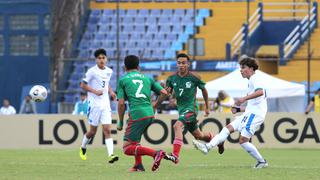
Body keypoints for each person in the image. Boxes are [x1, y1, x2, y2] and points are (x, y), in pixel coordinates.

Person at [193, 56, 269, 169]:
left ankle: (262, 162)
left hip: (255, 115)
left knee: (243, 141)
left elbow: (260, 92)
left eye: (243, 67)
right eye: (240, 68)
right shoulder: (251, 81)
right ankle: (207, 147)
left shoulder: (254, 78)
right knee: (227, 128)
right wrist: (239, 109)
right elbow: (255, 105)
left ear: (251, 68)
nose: (241, 70)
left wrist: (243, 99)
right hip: (250, 113)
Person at [154, 53, 224, 165]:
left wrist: (206, 106)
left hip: (191, 109)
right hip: (182, 110)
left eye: (183, 63)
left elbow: (204, 90)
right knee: (199, 135)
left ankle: (175, 156)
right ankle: (219, 140)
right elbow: (167, 93)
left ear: (188, 64)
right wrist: (155, 105)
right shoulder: (171, 78)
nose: (181, 65)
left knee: (177, 125)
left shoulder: (194, 77)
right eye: (179, 63)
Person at [117, 55, 168, 172]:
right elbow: (164, 93)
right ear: (138, 66)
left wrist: (120, 121)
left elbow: (120, 104)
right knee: (135, 142)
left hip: (137, 114)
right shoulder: (147, 78)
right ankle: (138, 165)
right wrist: (155, 105)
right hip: (149, 113)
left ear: (124, 67)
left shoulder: (123, 80)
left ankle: (156, 154)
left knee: (127, 148)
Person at [79, 49, 119, 163]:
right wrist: (95, 91)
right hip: (94, 105)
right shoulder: (92, 71)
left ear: (106, 59)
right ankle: (83, 147)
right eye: (99, 58)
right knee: (92, 132)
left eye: (103, 58)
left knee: (107, 130)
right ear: (96, 60)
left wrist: (111, 92)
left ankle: (111, 155)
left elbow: (106, 84)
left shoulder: (109, 71)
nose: (101, 60)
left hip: (105, 105)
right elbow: (82, 84)